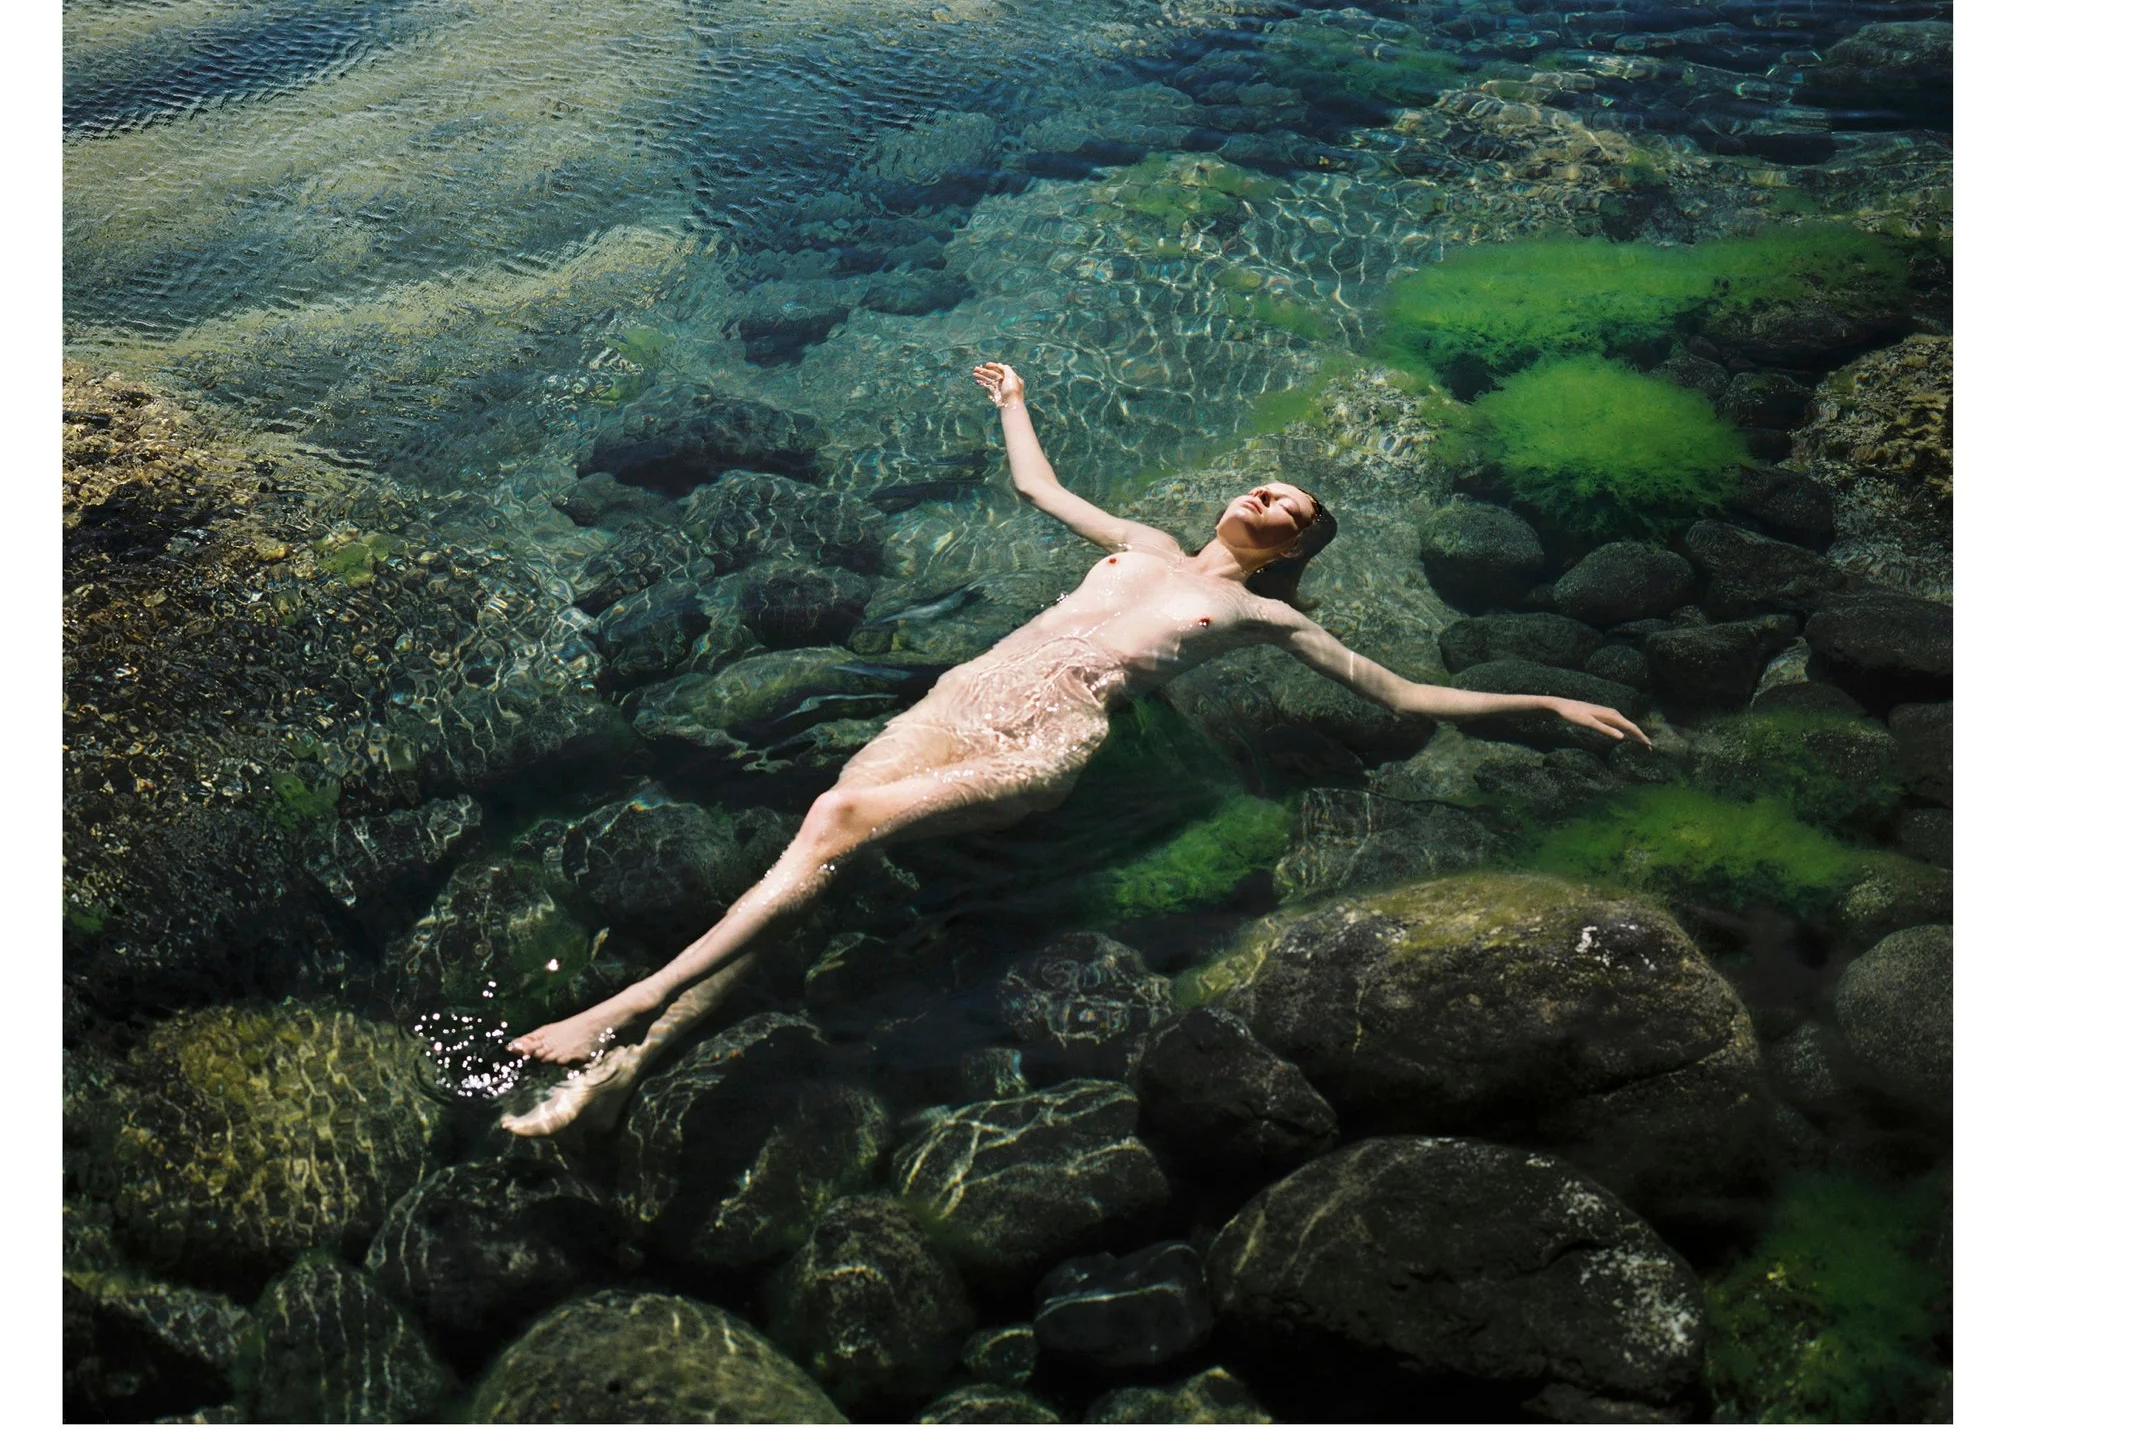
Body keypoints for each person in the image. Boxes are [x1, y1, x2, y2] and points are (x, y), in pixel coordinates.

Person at [500, 360, 1650, 1135]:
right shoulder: (1139, 542)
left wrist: (1542, 704)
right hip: (967, 697)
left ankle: (620, 1009)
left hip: (1050, 737)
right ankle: (634, 1066)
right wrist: (1014, 398)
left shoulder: (1258, 615)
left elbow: (1397, 693)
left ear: (1290, 551)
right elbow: (1034, 483)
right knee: (807, 876)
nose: (1272, 496)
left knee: (831, 827)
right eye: (1270, 486)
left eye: (1293, 511)